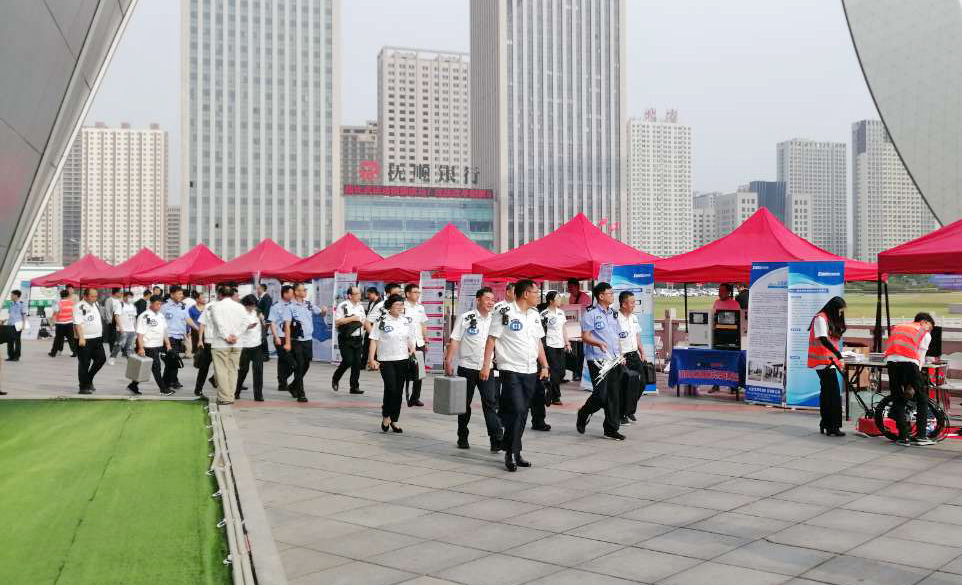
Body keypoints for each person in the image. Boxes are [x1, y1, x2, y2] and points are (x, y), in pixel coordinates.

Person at [481, 279, 551, 472]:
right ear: (526, 294)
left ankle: (514, 451)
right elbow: (491, 339)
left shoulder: (534, 315)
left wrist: (545, 365)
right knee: (518, 409)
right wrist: (486, 365)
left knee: (522, 412)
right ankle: (510, 452)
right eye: (535, 293)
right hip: (510, 368)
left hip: (530, 370)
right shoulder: (504, 312)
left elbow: (538, 342)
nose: (538, 296)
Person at [446, 286, 503, 451]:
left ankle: (496, 439)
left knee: (490, 404)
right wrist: (448, 360)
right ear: (478, 300)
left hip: (487, 368)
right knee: (464, 405)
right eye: (487, 299)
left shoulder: (496, 319)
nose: (491, 302)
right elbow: (455, 339)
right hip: (466, 368)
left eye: (493, 300)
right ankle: (462, 436)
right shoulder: (466, 317)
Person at [576, 282, 626, 441]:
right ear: (601, 296)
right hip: (598, 359)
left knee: (614, 395)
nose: (612, 296)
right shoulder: (590, 314)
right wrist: (598, 343)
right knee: (601, 395)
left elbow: (616, 337)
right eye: (609, 293)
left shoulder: (614, 314)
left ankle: (611, 429)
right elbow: (585, 336)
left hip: (614, 359)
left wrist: (621, 355)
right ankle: (584, 412)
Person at [885, 312, 937, 446]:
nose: (930, 330)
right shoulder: (924, 332)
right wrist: (915, 380)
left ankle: (903, 437)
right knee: (922, 398)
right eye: (930, 327)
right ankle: (921, 436)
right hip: (909, 363)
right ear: (924, 322)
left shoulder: (899, 327)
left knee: (898, 398)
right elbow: (920, 356)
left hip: (891, 362)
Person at [368, 293, 415, 433]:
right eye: (397, 305)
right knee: (391, 388)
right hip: (386, 360)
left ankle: (394, 419)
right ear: (390, 306)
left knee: (398, 391)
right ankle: (386, 415)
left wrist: (412, 347)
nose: (400, 307)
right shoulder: (381, 320)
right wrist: (371, 359)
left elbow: (409, 338)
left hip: (403, 359)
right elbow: (374, 340)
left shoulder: (405, 320)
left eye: (402, 305)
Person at [807, 296, 847, 437]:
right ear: (833, 308)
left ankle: (825, 423)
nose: (840, 313)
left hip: (828, 361)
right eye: (840, 311)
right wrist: (838, 354)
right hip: (823, 362)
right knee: (833, 394)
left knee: (827, 393)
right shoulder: (820, 318)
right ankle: (832, 426)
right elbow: (823, 339)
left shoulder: (828, 319)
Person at [206, 284, 247, 405]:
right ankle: (230, 396)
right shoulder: (240, 307)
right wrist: (236, 335)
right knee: (233, 370)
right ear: (232, 294)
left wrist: (226, 337)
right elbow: (245, 323)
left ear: (220, 294)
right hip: (237, 343)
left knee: (221, 371)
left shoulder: (216, 306)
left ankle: (224, 397)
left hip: (221, 343)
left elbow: (219, 323)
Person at [283, 283, 324, 403]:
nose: (305, 292)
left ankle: (292, 386)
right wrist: (287, 343)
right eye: (302, 290)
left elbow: (320, 313)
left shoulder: (309, 304)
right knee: (300, 366)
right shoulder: (290, 307)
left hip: (308, 339)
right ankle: (301, 393)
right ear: (296, 292)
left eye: (305, 290)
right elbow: (287, 326)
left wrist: (324, 311)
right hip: (297, 341)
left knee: (306, 364)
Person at [128, 295, 173, 396]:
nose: (159, 306)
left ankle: (133, 385)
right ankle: (163, 389)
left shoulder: (160, 316)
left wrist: (168, 343)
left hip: (158, 345)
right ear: (151, 304)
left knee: (146, 367)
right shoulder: (144, 316)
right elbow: (140, 334)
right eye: (157, 304)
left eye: (160, 304)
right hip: (148, 346)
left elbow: (164, 331)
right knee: (156, 367)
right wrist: (141, 348)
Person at [616, 291, 645, 425]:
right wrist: (620, 355)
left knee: (641, 383)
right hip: (623, 357)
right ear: (623, 304)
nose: (634, 305)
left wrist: (642, 351)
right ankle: (621, 414)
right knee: (625, 386)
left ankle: (628, 409)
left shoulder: (634, 317)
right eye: (632, 302)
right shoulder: (615, 319)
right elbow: (614, 339)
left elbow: (637, 335)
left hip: (635, 355)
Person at [161, 286, 196, 390]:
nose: (181, 296)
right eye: (179, 294)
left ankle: (169, 381)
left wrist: (197, 328)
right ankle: (170, 382)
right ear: (172, 295)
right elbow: (160, 322)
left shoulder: (183, 306)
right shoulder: (164, 306)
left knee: (172, 360)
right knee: (173, 359)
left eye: (182, 294)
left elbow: (187, 319)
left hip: (179, 336)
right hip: (169, 337)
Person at [333, 285, 366, 394]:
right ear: (350, 296)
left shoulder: (360, 307)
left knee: (357, 363)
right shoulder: (343, 306)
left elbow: (363, 320)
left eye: (360, 293)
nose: (359, 295)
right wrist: (352, 318)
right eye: (357, 294)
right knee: (348, 361)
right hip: (346, 338)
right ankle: (336, 378)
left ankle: (354, 387)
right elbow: (337, 322)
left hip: (358, 338)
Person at [73, 288, 107, 394]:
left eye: (96, 296)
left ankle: (89, 379)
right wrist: (81, 338)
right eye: (92, 296)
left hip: (97, 338)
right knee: (85, 363)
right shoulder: (79, 306)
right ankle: (83, 387)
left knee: (101, 359)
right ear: (85, 296)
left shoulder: (95, 304)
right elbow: (77, 323)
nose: (94, 298)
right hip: (85, 339)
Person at [540, 291, 571, 407]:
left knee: (562, 372)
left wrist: (567, 343)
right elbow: (541, 332)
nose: (560, 300)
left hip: (560, 345)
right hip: (550, 345)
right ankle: (556, 396)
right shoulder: (544, 314)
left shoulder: (561, 312)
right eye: (557, 298)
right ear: (551, 301)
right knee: (554, 370)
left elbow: (563, 329)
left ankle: (549, 389)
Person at [235, 294, 265, 401]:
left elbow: (262, 324)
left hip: (257, 345)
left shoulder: (256, 312)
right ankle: (236, 391)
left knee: (258, 370)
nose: (252, 307)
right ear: (245, 304)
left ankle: (258, 395)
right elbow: (236, 328)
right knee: (243, 370)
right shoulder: (240, 313)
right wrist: (247, 327)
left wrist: (262, 320)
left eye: (254, 305)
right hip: (245, 346)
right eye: (250, 305)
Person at [403, 284, 428, 407]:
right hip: (405, 344)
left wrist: (425, 338)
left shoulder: (420, 307)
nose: (417, 294)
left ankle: (415, 397)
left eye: (419, 292)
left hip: (419, 343)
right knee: (406, 371)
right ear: (407, 294)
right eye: (415, 292)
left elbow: (423, 324)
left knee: (420, 372)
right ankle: (402, 395)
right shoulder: (402, 307)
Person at [269, 285, 296, 395]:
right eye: (291, 293)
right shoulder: (276, 306)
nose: (293, 295)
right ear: (284, 294)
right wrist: (276, 337)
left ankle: (282, 382)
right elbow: (272, 323)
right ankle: (282, 381)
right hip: (280, 337)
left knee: (285, 361)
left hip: (292, 337)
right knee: (288, 361)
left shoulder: (294, 305)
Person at [566, 278, 591, 382]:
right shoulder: (571, 297)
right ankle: (576, 371)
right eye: (569, 287)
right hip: (574, 328)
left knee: (582, 352)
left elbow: (584, 312)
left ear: (577, 287)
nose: (570, 290)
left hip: (584, 328)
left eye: (571, 287)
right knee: (574, 352)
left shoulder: (585, 297)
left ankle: (581, 373)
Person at [49, 289, 78, 357]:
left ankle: (53, 353)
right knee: (71, 339)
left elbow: (55, 314)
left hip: (60, 324)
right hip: (69, 323)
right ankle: (74, 352)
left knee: (58, 339)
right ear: (68, 295)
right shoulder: (72, 303)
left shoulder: (59, 304)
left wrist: (51, 323)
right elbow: (74, 313)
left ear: (61, 295)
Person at [110, 291, 138, 360]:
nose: (130, 299)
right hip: (123, 329)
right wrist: (120, 328)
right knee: (119, 344)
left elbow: (134, 318)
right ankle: (112, 357)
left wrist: (135, 328)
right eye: (129, 297)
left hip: (131, 329)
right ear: (124, 297)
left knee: (129, 346)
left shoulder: (133, 306)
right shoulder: (120, 305)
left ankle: (128, 357)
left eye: (131, 297)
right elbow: (116, 316)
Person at [5, 290, 28, 361]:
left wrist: (24, 324)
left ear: (16, 296)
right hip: (10, 324)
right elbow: (10, 314)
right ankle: (10, 356)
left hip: (18, 324)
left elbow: (24, 315)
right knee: (9, 341)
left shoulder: (22, 304)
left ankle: (16, 356)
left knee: (17, 341)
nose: (11, 296)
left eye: (12, 295)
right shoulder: (11, 304)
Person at [362, 286, 382, 365]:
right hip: (368, 325)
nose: (368, 296)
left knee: (374, 345)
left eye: (369, 294)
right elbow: (369, 314)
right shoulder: (371, 302)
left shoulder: (380, 303)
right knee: (366, 345)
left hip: (375, 327)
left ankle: (374, 363)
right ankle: (363, 363)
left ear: (374, 293)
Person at [103, 288, 123, 359]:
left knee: (118, 337)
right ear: (116, 293)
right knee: (112, 338)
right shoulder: (109, 300)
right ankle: (112, 352)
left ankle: (116, 351)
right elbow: (107, 311)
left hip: (119, 320)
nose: (121, 294)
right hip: (112, 321)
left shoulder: (120, 300)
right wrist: (109, 321)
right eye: (120, 292)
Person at [256, 284, 272, 361]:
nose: (257, 290)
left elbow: (267, 310)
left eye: (258, 289)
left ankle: (266, 355)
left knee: (263, 337)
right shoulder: (261, 297)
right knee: (262, 337)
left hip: (264, 321)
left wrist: (265, 321)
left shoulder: (267, 297)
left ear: (262, 289)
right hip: (260, 320)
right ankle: (262, 354)